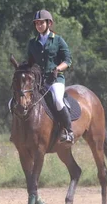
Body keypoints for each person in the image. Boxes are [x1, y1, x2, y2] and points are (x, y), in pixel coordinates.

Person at [27, 9, 74, 144]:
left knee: (58, 100)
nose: (38, 26)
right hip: (38, 81)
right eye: (36, 23)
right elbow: (30, 62)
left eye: (41, 23)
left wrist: (57, 69)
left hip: (55, 79)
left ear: (49, 23)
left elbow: (68, 60)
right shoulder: (33, 43)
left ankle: (69, 131)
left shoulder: (58, 40)